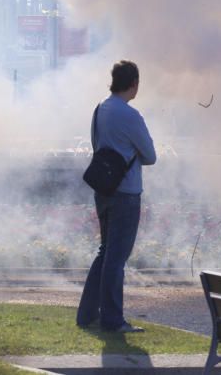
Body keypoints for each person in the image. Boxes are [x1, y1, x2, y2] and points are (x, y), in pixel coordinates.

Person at [76, 60, 157, 333]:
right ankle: (112, 319)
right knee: (116, 258)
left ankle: (87, 314)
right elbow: (151, 155)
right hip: (126, 193)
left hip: (104, 189)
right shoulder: (131, 116)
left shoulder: (100, 109)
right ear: (133, 83)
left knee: (105, 252)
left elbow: (96, 144)